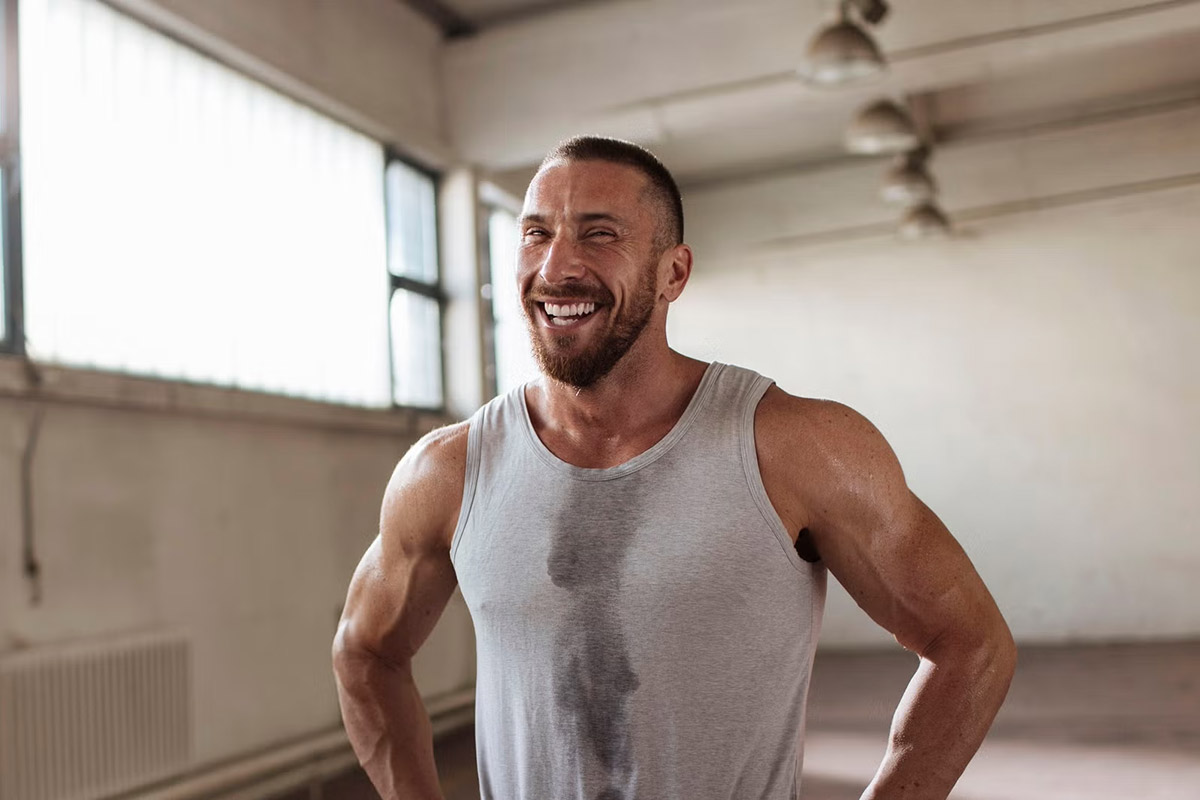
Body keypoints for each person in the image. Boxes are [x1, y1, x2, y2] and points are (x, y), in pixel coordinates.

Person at [332, 136, 1017, 800]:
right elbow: (366, 653)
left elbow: (971, 644)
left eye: (599, 234)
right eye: (536, 234)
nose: (557, 266)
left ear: (674, 273)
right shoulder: (448, 472)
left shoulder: (797, 446)